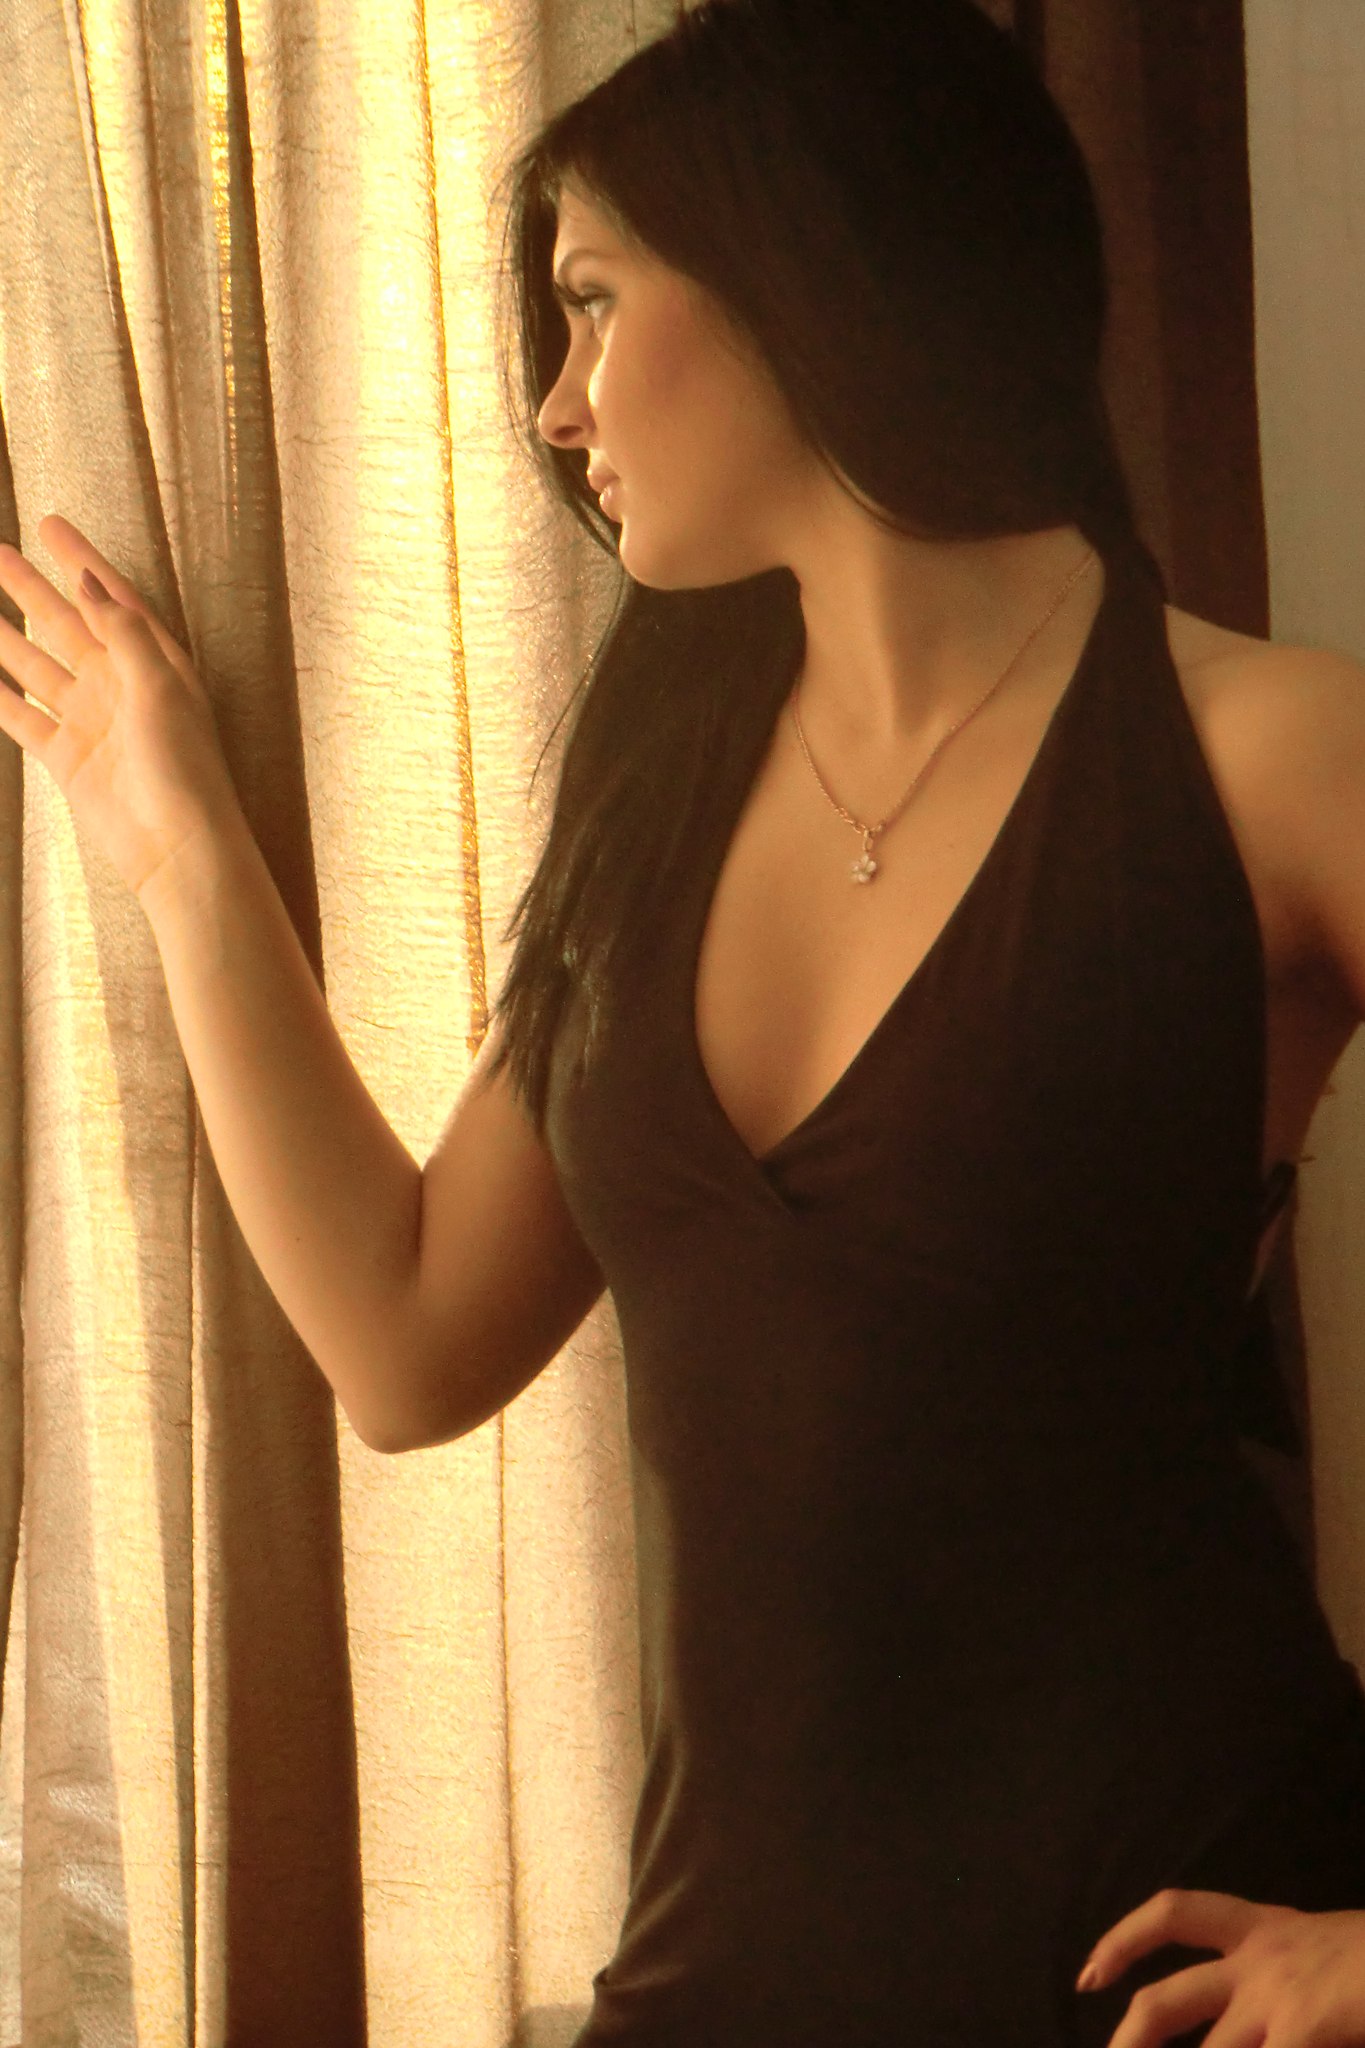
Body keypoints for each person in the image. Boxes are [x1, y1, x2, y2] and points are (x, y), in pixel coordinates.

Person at [3, 0, 1365, 2039]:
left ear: (804, 269)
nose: (555, 408)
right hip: (717, 1986)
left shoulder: (1271, 753)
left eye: (591, 302)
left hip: (1158, 1976)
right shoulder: (658, 794)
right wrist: (181, 847)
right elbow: (406, 1336)